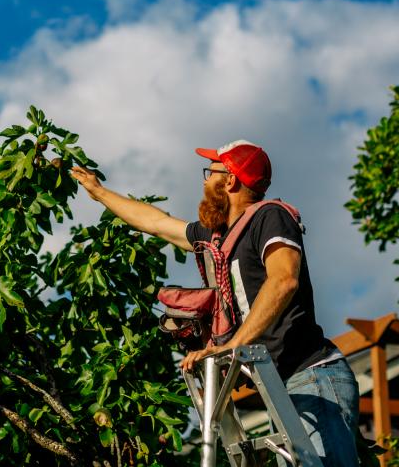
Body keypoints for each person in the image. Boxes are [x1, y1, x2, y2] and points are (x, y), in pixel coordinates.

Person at [70, 139, 359, 466]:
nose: (205, 180)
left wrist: (231, 347)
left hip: (313, 377)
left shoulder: (270, 218)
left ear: (231, 180)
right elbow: (156, 224)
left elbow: (284, 280)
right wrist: (99, 192)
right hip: (280, 388)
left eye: (211, 172)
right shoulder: (217, 237)